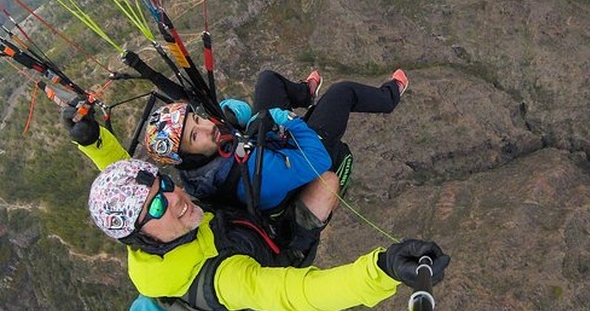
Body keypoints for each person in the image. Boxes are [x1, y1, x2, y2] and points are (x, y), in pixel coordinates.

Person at [87, 158, 449, 311]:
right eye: (156, 207)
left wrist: (92, 141)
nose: (173, 197)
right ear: (143, 237)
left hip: (248, 230)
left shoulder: (161, 239)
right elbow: (301, 292)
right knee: (327, 183)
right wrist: (384, 268)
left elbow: (126, 182)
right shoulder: (223, 281)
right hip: (280, 255)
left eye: (165, 183)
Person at [143, 68, 409, 212]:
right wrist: (287, 120)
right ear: (186, 156)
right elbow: (318, 159)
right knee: (342, 92)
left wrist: (240, 121)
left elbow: (229, 139)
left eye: (198, 120)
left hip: (266, 146)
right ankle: (390, 97)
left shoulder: (201, 164)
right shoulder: (255, 172)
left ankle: (306, 94)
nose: (205, 127)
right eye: (193, 135)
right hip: (296, 161)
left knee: (268, 80)